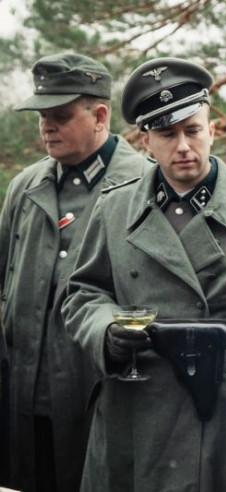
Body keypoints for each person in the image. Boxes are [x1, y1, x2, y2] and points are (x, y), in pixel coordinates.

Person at [61, 58, 226, 492]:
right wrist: (106, 329)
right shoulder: (114, 208)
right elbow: (82, 293)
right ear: (146, 142)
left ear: (212, 131)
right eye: (167, 134)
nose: (183, 146)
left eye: (193, 130)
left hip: (223, 415)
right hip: (134, 409)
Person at [0, 52, 149, 492]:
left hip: (103, 398)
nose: (47, 127)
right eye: (42, 117)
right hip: (22, 401)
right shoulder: (25, 187)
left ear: (100, 116)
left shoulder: (143, 187)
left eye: (61, 116)